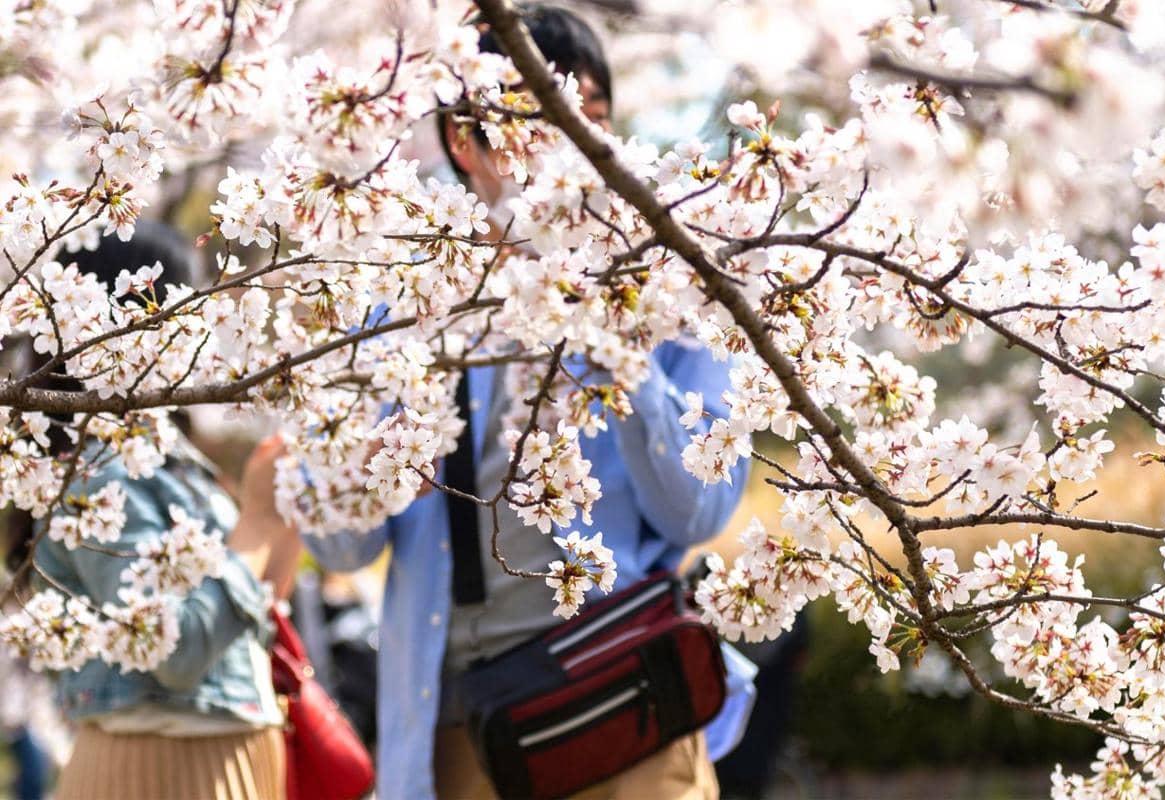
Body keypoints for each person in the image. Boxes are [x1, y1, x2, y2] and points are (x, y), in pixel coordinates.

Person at [304, 6, 752, 799]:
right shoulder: (398, 308)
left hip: (628, 703)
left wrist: (622, 348)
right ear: (463, 143)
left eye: (596, 122)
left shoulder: (672, 289)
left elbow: (701, 516)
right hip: (465, 731)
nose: (576, 150)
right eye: (541, 123)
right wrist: (377, 449)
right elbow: (341, 554)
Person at [7, 223, 302, 800]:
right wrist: (256, 522)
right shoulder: (99, 472)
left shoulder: (165, 451)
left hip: (224, 750)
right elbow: (177, 649)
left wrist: (281, 513)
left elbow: (249, 616)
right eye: (183, 310)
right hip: (160, 765)